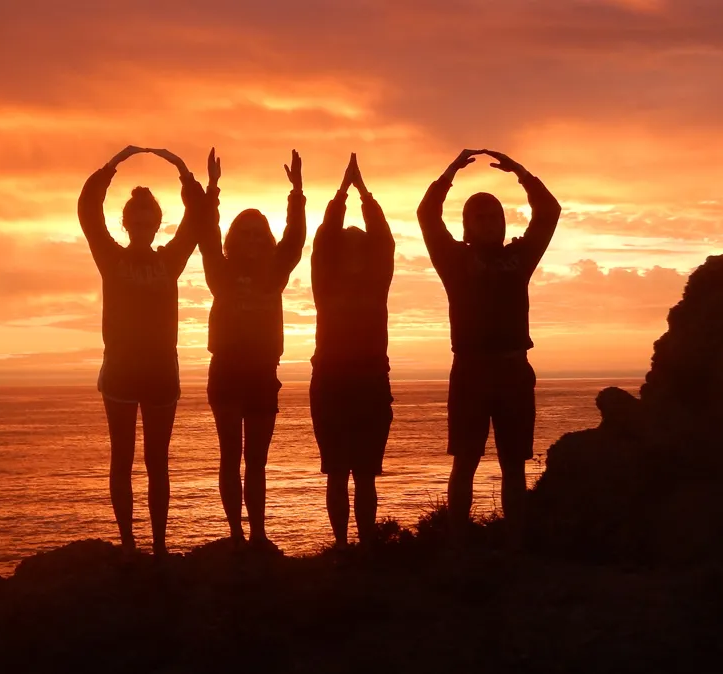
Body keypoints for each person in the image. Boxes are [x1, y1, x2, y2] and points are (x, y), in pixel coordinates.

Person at [416, 149, 561, 544]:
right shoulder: (453, 260)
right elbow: (427, 216)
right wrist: (449, 173)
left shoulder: (520, 256)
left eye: (495, 215)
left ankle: (517, 545)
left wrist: (521, 173)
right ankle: (458, 546)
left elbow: (548, 212)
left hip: (514, 371)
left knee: (514, 464)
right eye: (479, 217)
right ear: (465, 228)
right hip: (470, 372)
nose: (489, 222)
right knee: (465, 462)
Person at [77, 145, 211, 558]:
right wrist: (113, 164)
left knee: (157, 462)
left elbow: (197, 220)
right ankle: (129, 545)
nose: (141, 221)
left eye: (148, 215)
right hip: (119, 371)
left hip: (160, 373)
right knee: (122, 459)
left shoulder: (169, 260)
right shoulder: (110, 257)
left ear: (156, 223)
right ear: (126, 222)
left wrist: (184, 172)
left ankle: (157, 547)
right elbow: (87, 211)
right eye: (134, 215)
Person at [198, 149, 307, 550]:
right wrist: (212, 191)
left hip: (263, 373)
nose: (252, 238)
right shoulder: (220, 270)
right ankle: (236, 534)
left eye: (259, 232)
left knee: (256, 462)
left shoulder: (276, 271)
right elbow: (207, 236)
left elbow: (295, 239)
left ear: (267, 240)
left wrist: (296, 193)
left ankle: (258, 533)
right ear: (233, 239)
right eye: (244, 232)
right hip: (226, 371)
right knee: (231, 456)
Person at [310, 153, 395, 550]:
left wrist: (365, 195)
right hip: (331, 384)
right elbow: (324, 239)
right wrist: (342, 194)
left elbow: (385, 240)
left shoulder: (378, 284)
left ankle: (365, 543)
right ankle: (342, 545)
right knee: (336, 473)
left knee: (365, 473)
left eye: (362, 247)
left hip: (371, 383)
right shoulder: (325, 286)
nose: (355, 251)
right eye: (349, 246)